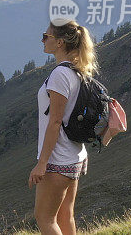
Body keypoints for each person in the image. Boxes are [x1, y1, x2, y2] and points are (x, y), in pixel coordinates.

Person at [28, 19, 98, 235]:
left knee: (45, 218)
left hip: (57, 160)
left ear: (59, 43)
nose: (42, 40)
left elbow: (55, 121)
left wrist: (42, 164)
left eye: (46, 36)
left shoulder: (59, 74)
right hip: (74, 155)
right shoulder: (77, 70)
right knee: (65, 215)